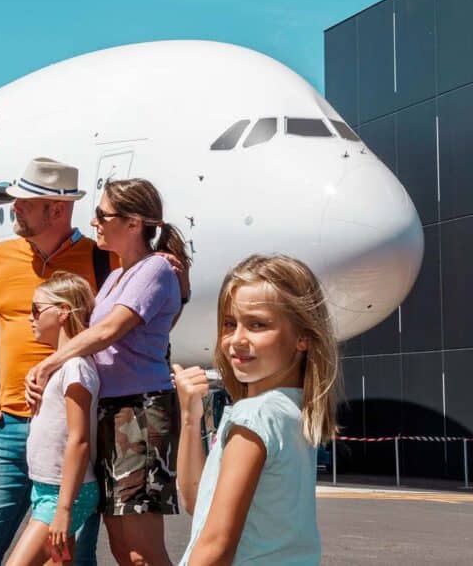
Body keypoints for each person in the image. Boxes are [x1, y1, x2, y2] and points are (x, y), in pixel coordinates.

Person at [0, 157, 119, 566]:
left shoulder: (103, 260)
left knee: (69, 557)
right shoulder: (0, 257)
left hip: (71, 432)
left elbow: (127, 324)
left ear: (56, 209)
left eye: (25, 202)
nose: (14, 207)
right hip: (7, 426)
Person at [25, 177, 191, 566]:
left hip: (138, 414)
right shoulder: (119, 275)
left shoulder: (153, 270)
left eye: (102, 214)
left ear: (134, 223)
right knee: (122, 549)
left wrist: (50, 363)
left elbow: (109, 330)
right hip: (112, 412)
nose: (94, 221)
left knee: (140, 553)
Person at [172, 255, 338, 565]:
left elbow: (216, 544)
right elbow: (199, 503)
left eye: (257, 325)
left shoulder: (255, 415)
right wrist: (190, 417)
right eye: (230, 324)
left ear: (302, 336)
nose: (237, 340)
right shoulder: (292, 410)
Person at [5, 272, 100, 566]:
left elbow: (79, 440)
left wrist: (64, 508)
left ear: (62, 312)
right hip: (47, 489)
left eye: (36, 310)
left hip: (64, 493)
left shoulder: (75, 368)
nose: (30, 318)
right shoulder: (60, 367)